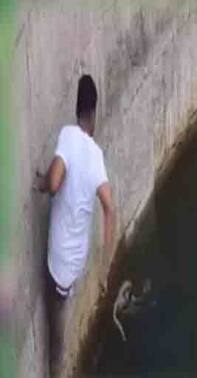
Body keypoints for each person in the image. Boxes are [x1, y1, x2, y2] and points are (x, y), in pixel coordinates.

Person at [35, 74, 115, 370]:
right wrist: (106, 258)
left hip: (58, 261)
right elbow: (109, 207)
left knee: (55, 338)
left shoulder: (67, 135)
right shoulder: (96, 157)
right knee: (62, 303)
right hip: (77, 262)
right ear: (93, 113)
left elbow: (54, 182)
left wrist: (41, 183)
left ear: (76, 109)